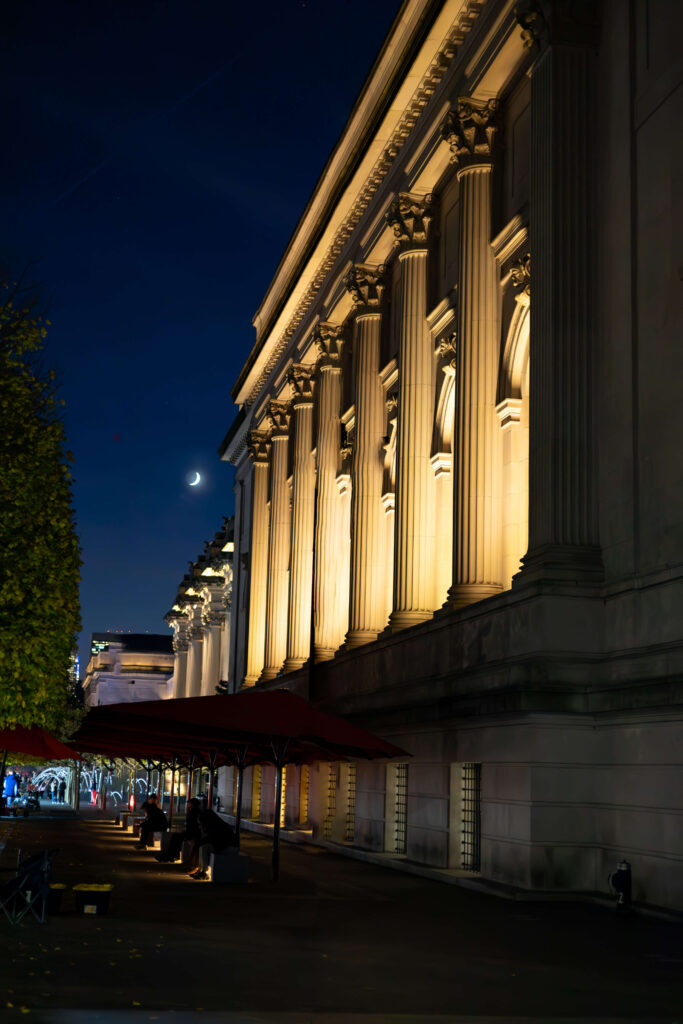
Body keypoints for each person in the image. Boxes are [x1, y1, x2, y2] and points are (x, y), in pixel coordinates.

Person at [189, 809, 237, 880]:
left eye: (201, 824)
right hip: (224, 846)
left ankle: (204, 871)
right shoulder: (217, 823)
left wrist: (199, 840)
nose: (200, 826)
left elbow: (210, 839)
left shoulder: (215, 826)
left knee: (204, 847)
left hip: (228, 847)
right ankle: (201, 869)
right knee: (203, 847)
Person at [156, 797, 202, 864]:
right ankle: (171, 855)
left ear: (192, 804)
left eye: (188, 803)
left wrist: (185, 830)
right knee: (176, 837)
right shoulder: (195, 811)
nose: (187, 804)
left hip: (192, 833)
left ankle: (170, 855)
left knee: (176, 837)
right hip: (192, 832)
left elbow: (192, 825)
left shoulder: (193, 812)